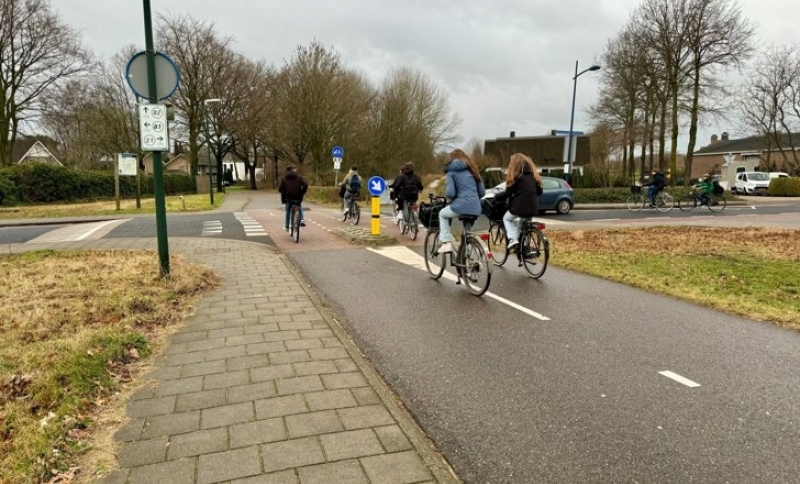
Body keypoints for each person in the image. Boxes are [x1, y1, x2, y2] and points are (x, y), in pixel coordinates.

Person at [438, 149, 486, 254]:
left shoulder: (451, 172)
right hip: (475, 207)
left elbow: (450, 193)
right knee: (467, 235)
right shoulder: (473, 170)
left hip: (461, 205)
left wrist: (450, 197)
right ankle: (468, 257)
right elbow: (482, 193)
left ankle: (447, 242)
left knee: (442, 214)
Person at [495, 153, 543, 252]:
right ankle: (524, 248)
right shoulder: (533, 176)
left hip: (519, 207)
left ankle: (513, 239)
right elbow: (540, 192)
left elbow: (508, 193)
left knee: (507, 219)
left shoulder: (516, 176)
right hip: (533, 207)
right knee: (523, 225)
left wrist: (497, 196)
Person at [278, 165, 308, 231]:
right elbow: (305, 185)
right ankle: (302, 220)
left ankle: (287, 226)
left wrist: (285, 192)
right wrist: (302, 192)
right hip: (298, 197)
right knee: (299, 205)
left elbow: (279, 189)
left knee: (288, 210)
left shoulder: (284, 178)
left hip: (289, 198)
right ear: (293, 170)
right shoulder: (299, 177)